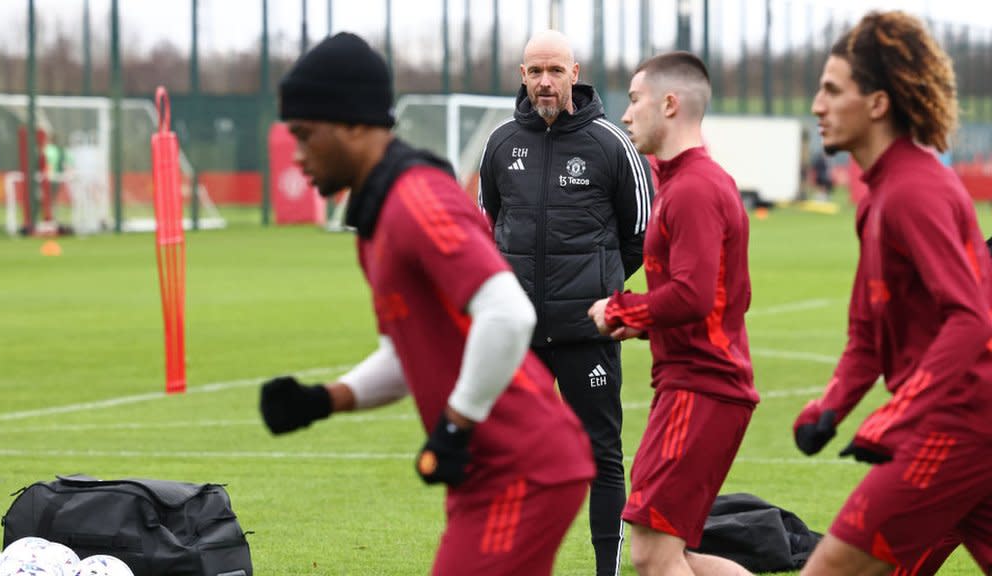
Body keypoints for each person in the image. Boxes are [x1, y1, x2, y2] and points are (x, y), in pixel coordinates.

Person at [259, 32, 595, 576]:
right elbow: (403, 356)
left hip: (521, 470)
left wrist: (457, 425)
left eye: (305, 135)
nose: (297, 156)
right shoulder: (375, 222)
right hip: (489, 473)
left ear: (351, 123)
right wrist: (324, 400)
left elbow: (509, 313)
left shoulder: (418, 199)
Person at [795, 10, 992, 575]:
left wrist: (898, 415)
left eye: (832, 90)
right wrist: (830, 408)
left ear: (878, 103)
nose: (817, 105)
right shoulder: (878, 198)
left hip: (952, 427)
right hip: (969, 427)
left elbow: (969, 319)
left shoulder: (914, 191)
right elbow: (866, 335)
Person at [477, 29, 652, 576]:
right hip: (520, 339)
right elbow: (488, 226)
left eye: (555, 71)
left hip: (586, 335)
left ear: (575, 72)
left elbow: (639, 233)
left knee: (600, 455)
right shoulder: (502, 143)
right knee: (511, 456)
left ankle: (606, 569)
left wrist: (596, 288)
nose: (545, 82)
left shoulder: (610, 143)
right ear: (522, 76)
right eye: (535, 72)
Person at [587, 51, 758, 576]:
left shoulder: (695, 188)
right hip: (697, 385)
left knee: (652, 554)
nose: (625, 114)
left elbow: (693, 295)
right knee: (668, 554)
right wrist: (638, 325)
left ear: (669, 103)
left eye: (634, 100)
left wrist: (621, 308)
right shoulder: (682, 182)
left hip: (702, 387)